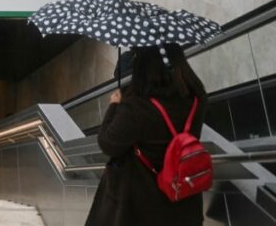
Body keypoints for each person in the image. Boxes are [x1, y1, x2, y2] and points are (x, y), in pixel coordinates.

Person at [85, 44, 208, 226]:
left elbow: (107, 143)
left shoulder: (137, 106)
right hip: (184, 202)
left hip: (141, 206)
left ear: (145, 64)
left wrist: (115, 105)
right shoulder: (197, 99)